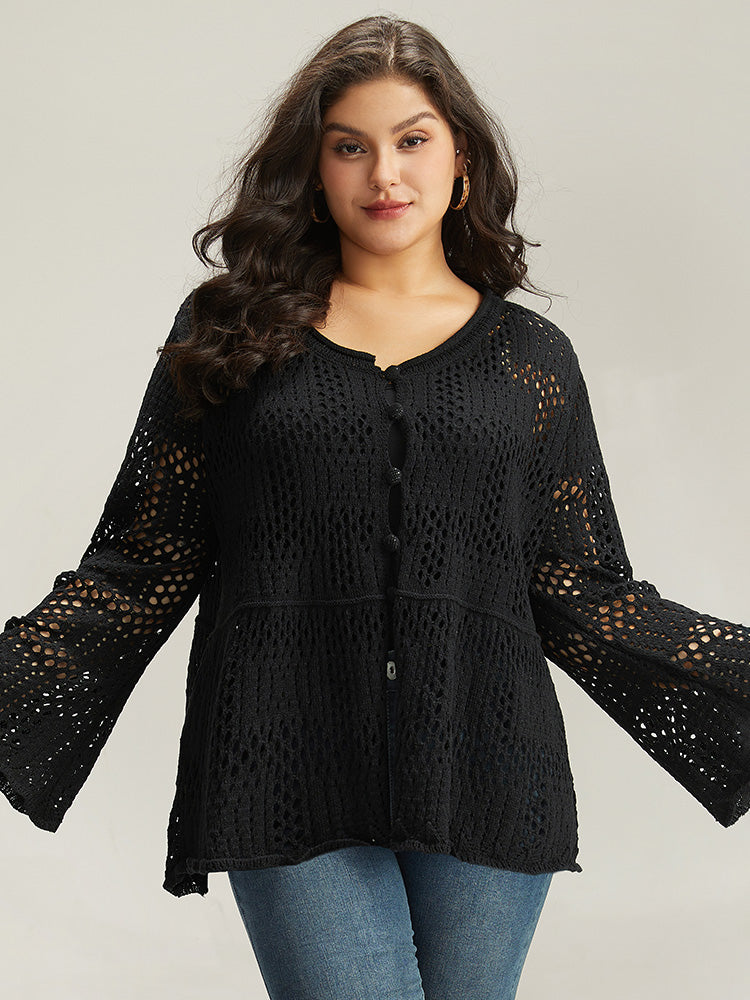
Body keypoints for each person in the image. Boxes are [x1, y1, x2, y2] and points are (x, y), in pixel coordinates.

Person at [1, 14, 748, 1000]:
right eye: (350, 146)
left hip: (489, 765)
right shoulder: (231, 336)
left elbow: (581, 590)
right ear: (314, 170)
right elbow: (142, 559)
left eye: (412, 140)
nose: (384, 174)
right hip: (280, 757)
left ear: (462, 159)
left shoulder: (532, 363)